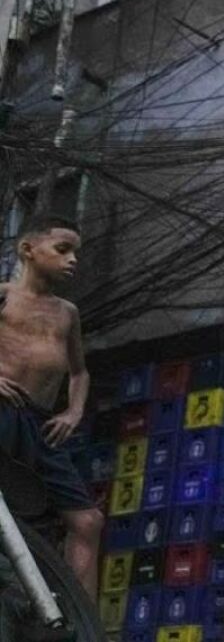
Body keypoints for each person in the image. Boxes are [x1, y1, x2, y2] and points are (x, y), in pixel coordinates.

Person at [0, 216, 103, 601]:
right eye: (63, 249)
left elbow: (79, 372)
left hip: (42, 425)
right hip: (2, 413)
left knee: (87, 521)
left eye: (75, 250)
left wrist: (73, 412)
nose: (72, 259)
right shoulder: (4, 296)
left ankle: (81, 621)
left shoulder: (67, 313)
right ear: (29, 250)